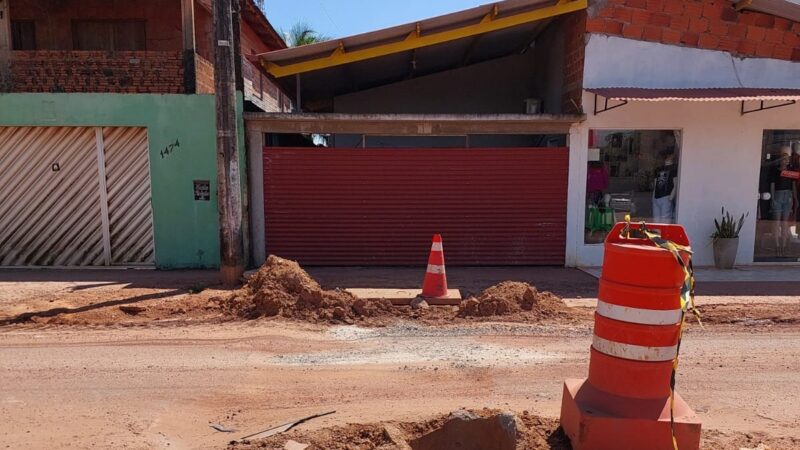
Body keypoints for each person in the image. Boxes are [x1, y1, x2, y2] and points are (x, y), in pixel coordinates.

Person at [771, 146, 798, 257]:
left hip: (788, 195)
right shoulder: (775, 172)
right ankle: (777, 246)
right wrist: (772, 198)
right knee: (777, 222)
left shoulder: (790, 172)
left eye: (787, 159)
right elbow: (772, 185)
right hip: (778, 194)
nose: (785, 161)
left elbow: (793, 186)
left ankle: (784, 245)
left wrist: (796, 199)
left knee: (785, 222)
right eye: (783, 159)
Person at [652, 149, 678, 223]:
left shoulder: (674, 169)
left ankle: (664, 234)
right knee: (656, 220)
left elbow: (675, 185)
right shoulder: (658, 169)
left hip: (666, 196)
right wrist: (653, 197)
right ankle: (656, 233)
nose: (668, 157)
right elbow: (655, 184)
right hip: (656, 197)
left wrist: (670, 198)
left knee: (665, 220)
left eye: (670, 155)